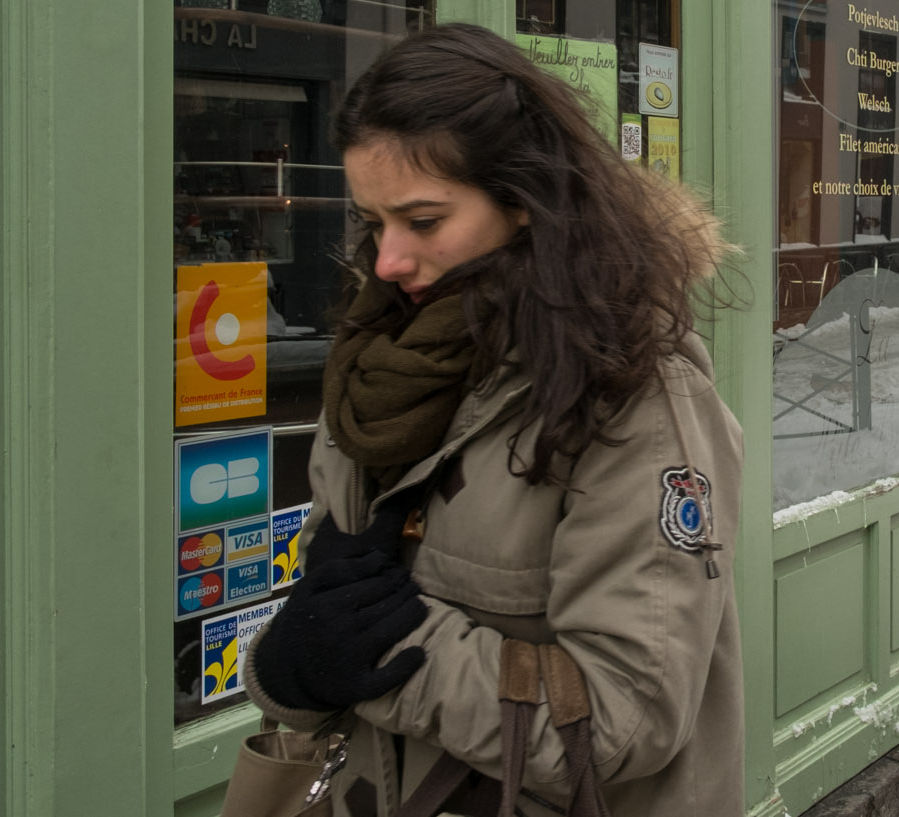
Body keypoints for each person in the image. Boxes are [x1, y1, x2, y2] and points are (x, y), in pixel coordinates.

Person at [244, 24, 743, 817]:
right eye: (374, 223)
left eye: (424, 221)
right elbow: (331, 601)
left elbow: (631, 719)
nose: (387, 262)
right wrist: (292, 663)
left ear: (522, 201)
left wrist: (392, 652)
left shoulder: (631, 395)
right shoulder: (378, 365)